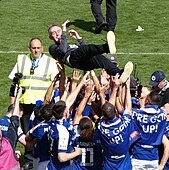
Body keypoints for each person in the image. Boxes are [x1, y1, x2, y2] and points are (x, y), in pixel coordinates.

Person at [8, 37, 59, 168]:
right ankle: (30, 160)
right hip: (25, 104)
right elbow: (14, 84)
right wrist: (13, 104)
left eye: (38, 48)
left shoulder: (50, 62)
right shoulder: (22, 60)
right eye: (33, 48)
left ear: (42, 48)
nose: (36, 50)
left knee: (42, 132)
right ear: (29, 49)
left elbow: (56, 84)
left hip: (42, 106)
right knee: (27, 133)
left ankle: (44, 156)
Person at [48, 20, 133, 83]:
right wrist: (63, 31)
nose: (57, 34)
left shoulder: (70, 44)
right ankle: (106, 48)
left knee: (100, 59)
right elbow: (63, 50)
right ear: (51, 37)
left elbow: (87, 50)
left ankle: (119, 74)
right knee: (82, 50)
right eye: (54, 33)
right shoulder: (53, 48)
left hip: (85, 62)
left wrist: (79, 39)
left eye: (58, 31)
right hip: (73, 60)